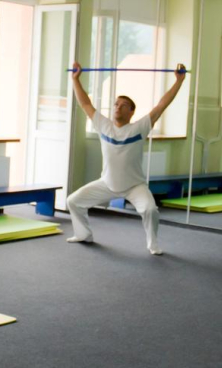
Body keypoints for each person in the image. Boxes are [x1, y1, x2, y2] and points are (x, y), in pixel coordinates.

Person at [66, 62, 187, 255]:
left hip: (134, 186)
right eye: (116, 104)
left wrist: (179, 81)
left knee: (150, 210)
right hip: (107, 183)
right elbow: (85, 104)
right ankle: (83, 234)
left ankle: (153, 244)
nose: (118, 108)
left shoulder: (139, 128)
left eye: (124, 106)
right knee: (73, 201)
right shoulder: (103, 125)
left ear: (131, 112)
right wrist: (75, 79)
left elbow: (161, 105)